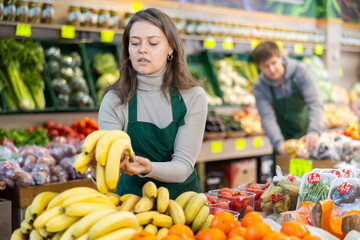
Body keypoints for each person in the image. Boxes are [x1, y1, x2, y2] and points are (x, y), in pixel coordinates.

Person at [97, 8, 208, 199]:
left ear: (171, 48)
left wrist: (149, 168)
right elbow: (109, 166)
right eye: (135, 43)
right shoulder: (115, 99)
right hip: (132, 202)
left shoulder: (193, 96)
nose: (142, 49)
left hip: (184, 203)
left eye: (153, 42)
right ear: (128, 49)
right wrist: (100, 166)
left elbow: (183, 167)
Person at [252, 41, 324, 159]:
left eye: (274, 63)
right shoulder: (260, 87)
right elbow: (267, 117)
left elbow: (315, 103)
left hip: (307, 135)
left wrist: (314, 131)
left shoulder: (300, 72)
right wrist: (278, 143)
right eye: (266, 66)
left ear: (280, 57)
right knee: (283, 176)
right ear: (259, 67)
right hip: (283, 138)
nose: (272, 69)